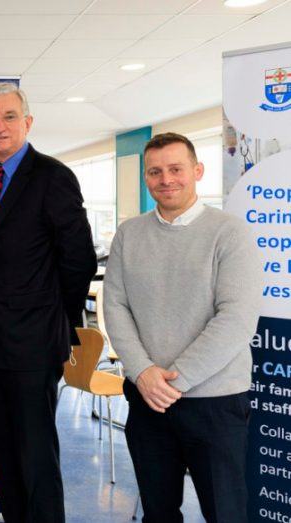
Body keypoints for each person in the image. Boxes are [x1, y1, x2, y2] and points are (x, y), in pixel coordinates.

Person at [103, 132, 261, 523]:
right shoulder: (129, 234)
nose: (166, 179)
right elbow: (116, 307)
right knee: (158, 512)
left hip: (215, 402)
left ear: (197, 171)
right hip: (147, 400)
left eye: (176, 169)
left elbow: (236, 318)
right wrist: (142, 373)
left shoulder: (230, 232)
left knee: (225, 513)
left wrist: (174, 381)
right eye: (155, 171)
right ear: (146, 178)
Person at [0, 82, 97, 522]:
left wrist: (53, 322)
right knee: (2, 453)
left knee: (36, 456)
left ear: (28, 122)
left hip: (34, 345)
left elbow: (78, 260)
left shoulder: (53, 176)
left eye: (8, 117)